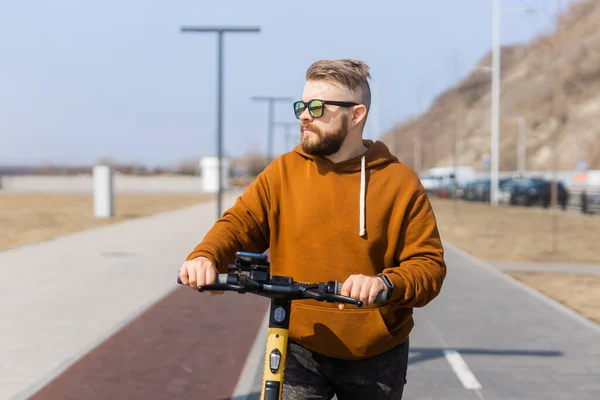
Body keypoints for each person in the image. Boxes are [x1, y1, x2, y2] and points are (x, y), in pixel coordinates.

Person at [179, 59, 446, 399]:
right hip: (296, 344)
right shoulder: (283, 172)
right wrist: (206, 256)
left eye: (318, 107)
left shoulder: (399, 182)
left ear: (357, 114)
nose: (305, 115)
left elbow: (429, 266)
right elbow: (239, 224)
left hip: (376, 353)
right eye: (301, 106)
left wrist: (384, 283)